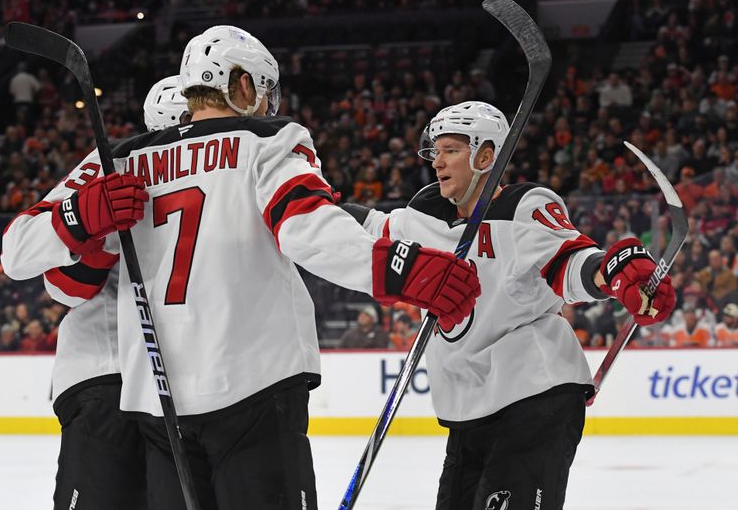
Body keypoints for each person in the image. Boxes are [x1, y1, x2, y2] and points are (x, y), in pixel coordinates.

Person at [99, 25, 477, 509]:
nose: (264, 104)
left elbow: (31, 256)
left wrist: (74, 221)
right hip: (252, 392)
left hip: (157, 403)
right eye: (261, 89)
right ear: (239, 84)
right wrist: (404, 271)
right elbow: (306, 229)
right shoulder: (269, 138)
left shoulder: (125, 159)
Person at [341, 101, 676, 510]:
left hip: (534, 396)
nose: (437, 161)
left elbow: (570, 261)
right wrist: (305, 207)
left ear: (485, 156)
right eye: (436, 151)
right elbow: (368, 226)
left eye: (450, 150)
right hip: (470, 410)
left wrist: (615, 274)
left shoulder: (524, 208)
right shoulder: (423, 214)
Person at [0, 75, 189, 510]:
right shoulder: (117, 161)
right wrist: (82, 218)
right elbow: (21, 251)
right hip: (110, 378)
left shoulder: (230, 168)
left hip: (188, 392)